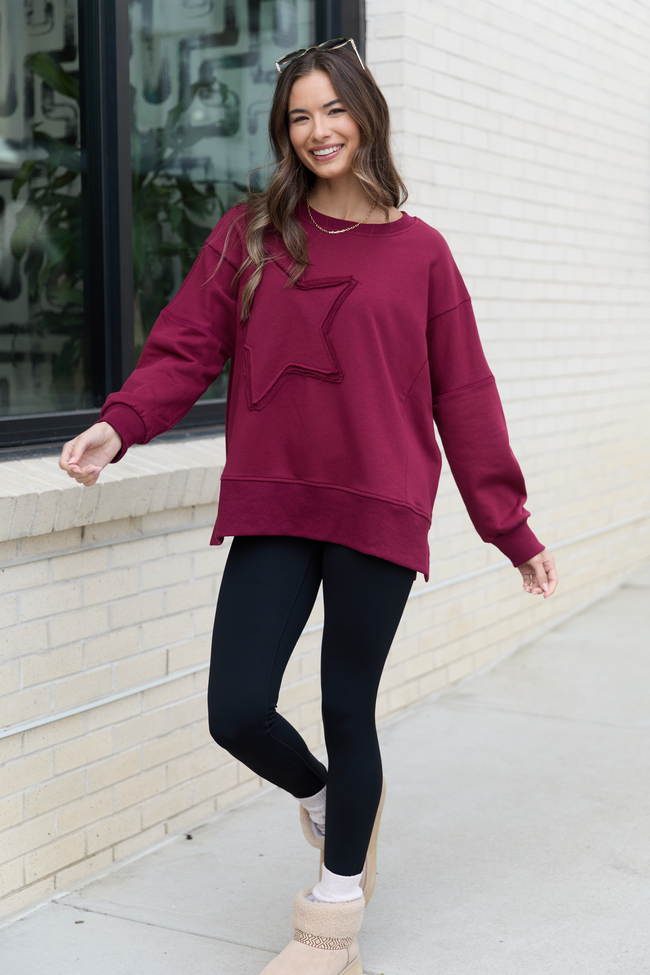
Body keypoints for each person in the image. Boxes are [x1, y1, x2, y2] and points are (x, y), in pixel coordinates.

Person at [59, 37, 558, 975]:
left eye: (333, 110)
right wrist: (119, 426)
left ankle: (329, 927)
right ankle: (332, 802)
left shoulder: (422, 254)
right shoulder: (252, 234)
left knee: (345, 704)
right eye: (299, 116)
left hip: (378, 504)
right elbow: (185, 346)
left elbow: (466, 395)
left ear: (366, 115)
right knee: (236, 708)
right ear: (284, 132)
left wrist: (510, 527)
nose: (318, 130)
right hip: (276, 502)